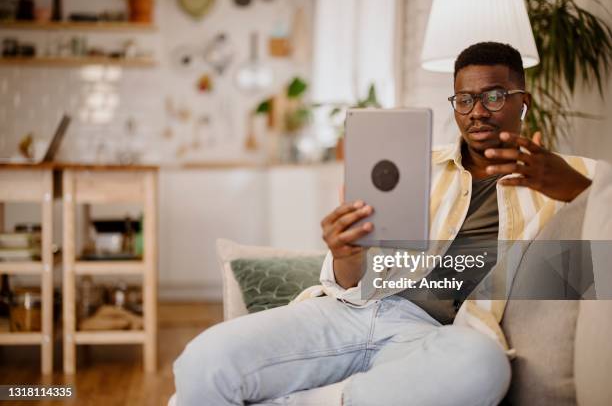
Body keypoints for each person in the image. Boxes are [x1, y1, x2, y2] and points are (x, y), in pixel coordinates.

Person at [173, 42, 594, 406]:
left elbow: (602, 254)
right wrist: (344, 254)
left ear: (525, 101)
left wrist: (572, 187)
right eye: (463, 100)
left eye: (494, 96)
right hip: (355, 310)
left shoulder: (570, 176)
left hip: (436, 337)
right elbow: (346, 283)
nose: (476, 112)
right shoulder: (414, 167)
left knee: (483, 366)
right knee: (202, 362)